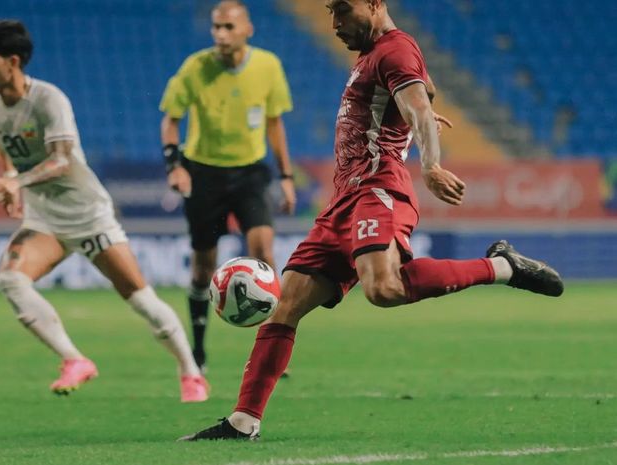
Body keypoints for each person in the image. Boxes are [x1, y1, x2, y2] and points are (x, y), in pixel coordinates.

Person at [180, 0, 564, 440]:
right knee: (284, 306)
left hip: (377, 187)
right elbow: (421, 96)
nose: (336, 23)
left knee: (384, 287)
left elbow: (419, 105)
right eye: (330, 13)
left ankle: (501, 266)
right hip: (342, 200)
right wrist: (415, 103)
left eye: (343, 10)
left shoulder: (394, 49)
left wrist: (431, 161)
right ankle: (243, 421)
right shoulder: (377, 56)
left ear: (375, 4)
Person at [0, 20, 208, 401]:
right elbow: (5, 146)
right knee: (11, 279)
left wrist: (17, 181)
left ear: (12, 61)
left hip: (87, 213)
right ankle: (74, 360)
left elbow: (62, 161)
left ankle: (190, 372)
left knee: (140, 298)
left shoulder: (50, 100)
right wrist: (10, 177)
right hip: (44, 217)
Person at [159, 0, 297, 373]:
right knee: (204, 269)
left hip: (250, 172)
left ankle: (270, 351)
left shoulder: (267, 66)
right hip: (203, 172)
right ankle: (198, 353)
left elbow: (275, 124)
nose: (220, 34)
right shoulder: (196, 67)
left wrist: (286, 177)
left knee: (263, 251)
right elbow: (171, 120)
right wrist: (175, 166)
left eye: (228, 27)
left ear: (247, 30)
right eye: (216, 27)